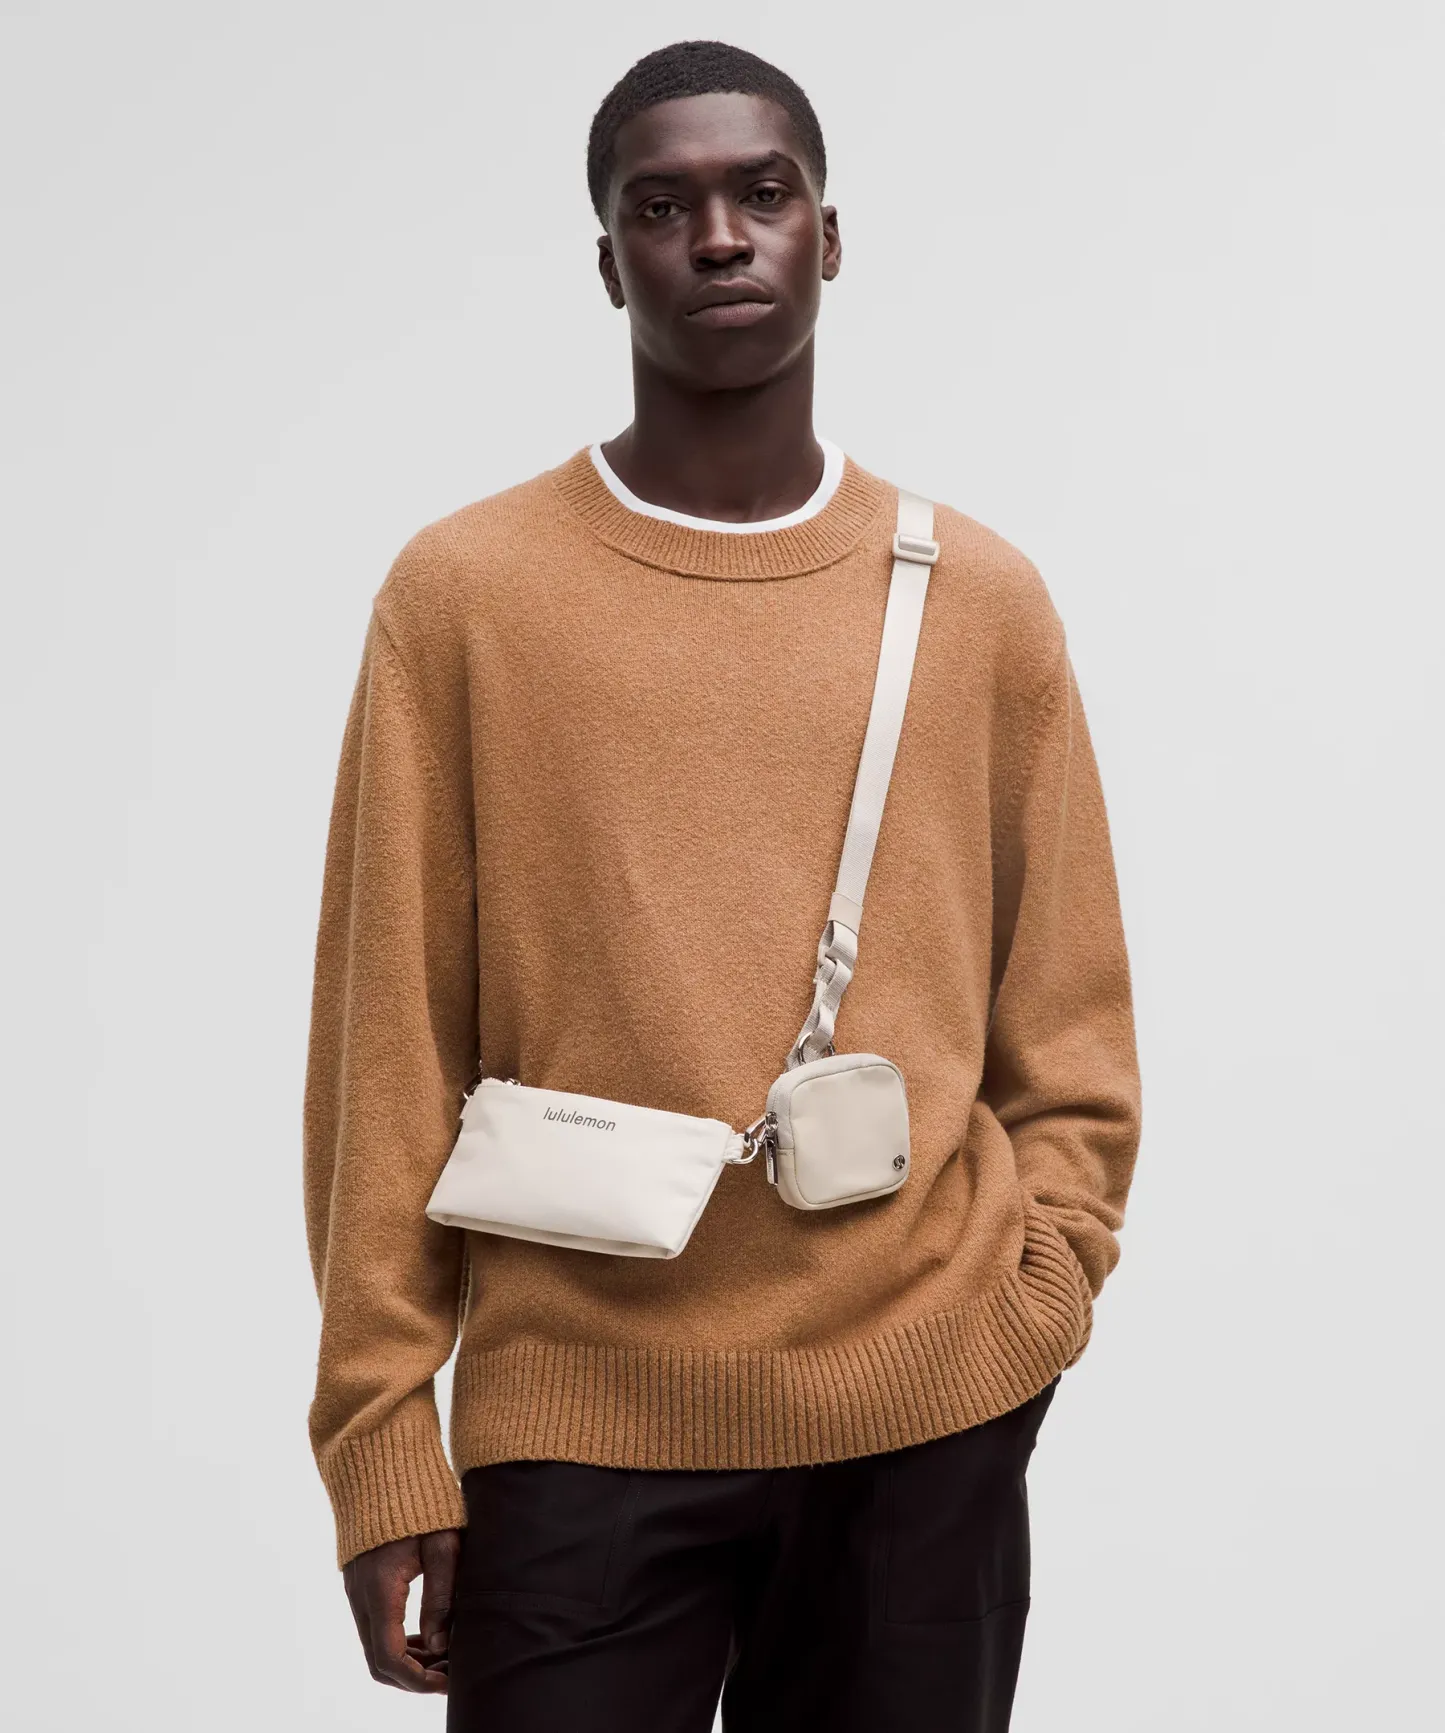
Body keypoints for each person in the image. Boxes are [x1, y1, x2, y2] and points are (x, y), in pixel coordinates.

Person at [303, 38, 1141, 1733]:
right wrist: (382, 1438)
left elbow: (1069, 1017)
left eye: (764, 194)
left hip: (923, 1410)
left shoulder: (980, 601)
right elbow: (389, 1036)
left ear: (830, 235)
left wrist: (1037, 1294)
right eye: (662, 206)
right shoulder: (466, 595)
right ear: (608, 261)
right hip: (578, 1416)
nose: (720, 237)